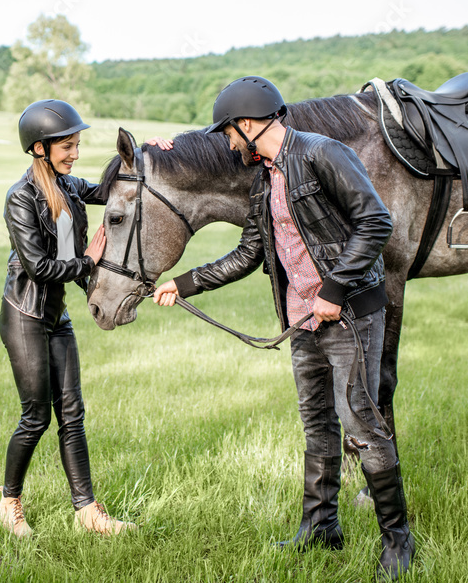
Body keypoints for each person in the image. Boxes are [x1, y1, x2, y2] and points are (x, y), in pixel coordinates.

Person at [152, 77, 414, 579]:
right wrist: (184, 284)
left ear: (248, 125)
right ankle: (320, 529)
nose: (228, 143)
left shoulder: (323, 153)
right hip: (301, 321)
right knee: (318, 426)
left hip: (351, 312)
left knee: (362, 424)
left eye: (229, 133)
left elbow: (376, 221)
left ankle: (397, 541)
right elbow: (250, 253)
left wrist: (334, 291)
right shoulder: (263, 178)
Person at [0, 99, 172, 538]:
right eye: (67, 146)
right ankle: (9, 503)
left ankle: (88, 512)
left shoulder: (69, 185)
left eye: (76, 144)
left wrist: (144, 152)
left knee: (72, 415)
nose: (74, 153)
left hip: (56, 316)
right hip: (25, 316)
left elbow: (112, 188)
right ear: (40, 148)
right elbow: (39, 267)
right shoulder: (20, 198)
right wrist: (88, 261)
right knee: (36, 417)